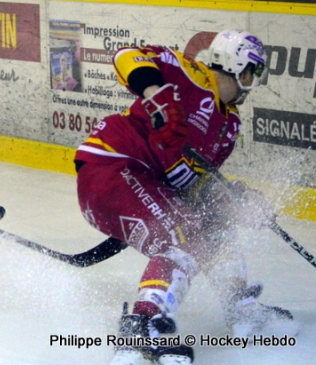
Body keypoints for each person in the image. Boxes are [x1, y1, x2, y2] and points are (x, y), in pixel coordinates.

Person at [75, 30, 297, 365]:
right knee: (182, 237)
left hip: (143, 184)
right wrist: (154, 93)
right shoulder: (190, 74)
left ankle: (238, 305)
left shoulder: (228, 125)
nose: (253, 84)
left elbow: (197, 188)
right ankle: (140, 330)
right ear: (238, 67)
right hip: (112, 167)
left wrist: (238, 201)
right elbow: (125, 55)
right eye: (253, 73)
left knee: (212, 223)